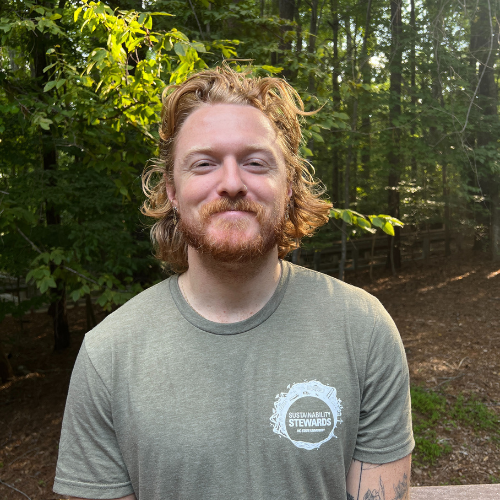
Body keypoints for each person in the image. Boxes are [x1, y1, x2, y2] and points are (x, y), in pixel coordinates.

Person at [53, 67, 413, 500]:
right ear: (171, 188)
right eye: (204, 164)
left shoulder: (363, 330)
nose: (231, 183)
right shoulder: (108, 356)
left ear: (290, 184)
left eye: (255, 163)